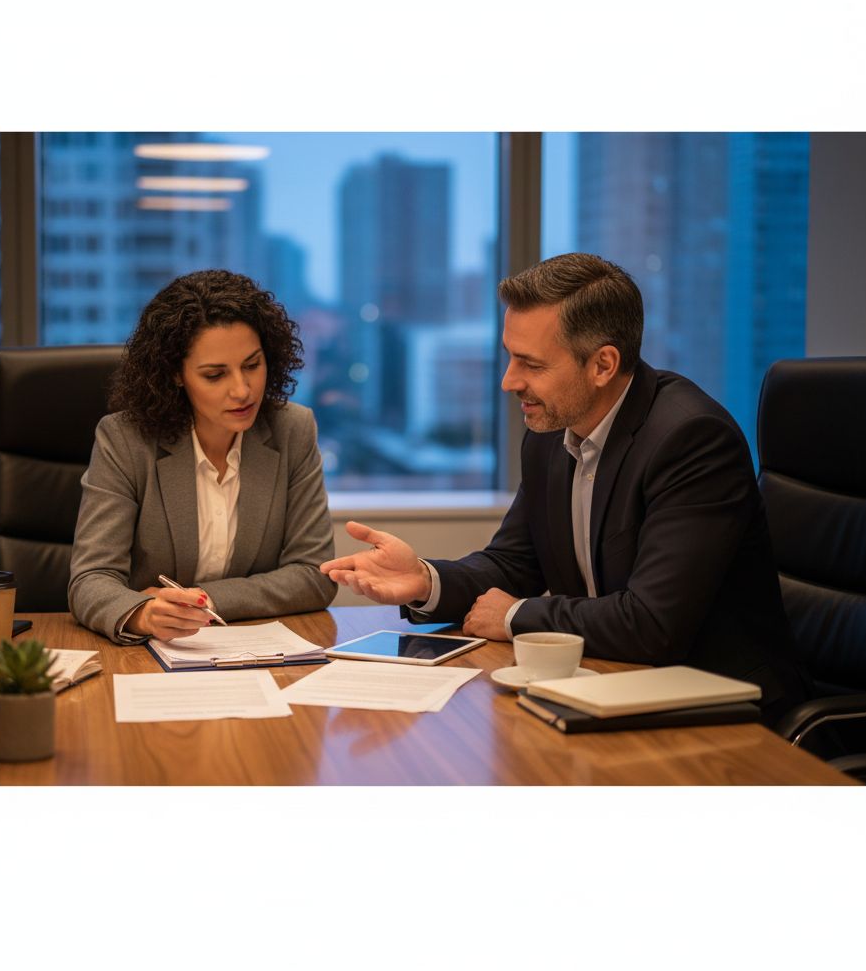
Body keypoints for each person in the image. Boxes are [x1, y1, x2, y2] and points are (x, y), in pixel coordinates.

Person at [321, 252, 808, 725]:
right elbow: (515, 563)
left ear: (602, 365)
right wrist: (426, 580)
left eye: (531, 365)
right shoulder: (551, 435)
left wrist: (515, 616)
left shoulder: (691, 439)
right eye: (510, 358)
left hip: (721, 710)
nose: (509, 382)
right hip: (604, 684)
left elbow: (653, 624)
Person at [70, 269, 337, 644]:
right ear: (176, 375)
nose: (242, 390)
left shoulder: (293, 429)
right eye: (215, 375)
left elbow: (314, 573)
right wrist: (143, 614)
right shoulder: (126, 439)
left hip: (259, 655)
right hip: (149, 657)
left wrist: (203, 601)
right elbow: (90, 579)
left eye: (252, 365)